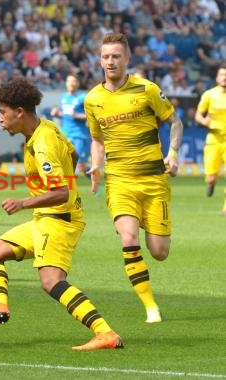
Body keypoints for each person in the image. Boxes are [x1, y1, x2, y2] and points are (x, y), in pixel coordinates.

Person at [0, 78, 124, 351]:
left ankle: (105, 333)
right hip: (46, 217)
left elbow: (61, 192)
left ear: (19, 112)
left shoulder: (43, 142)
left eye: (3, 112)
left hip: (59, 220)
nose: (0, 119)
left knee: (51, 282)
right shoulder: (46, 129)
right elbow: (71, 156)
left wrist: (23, 202)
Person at [84, 33, 184, 323]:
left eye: (116, 56)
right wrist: (96, 167)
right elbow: (97, 139)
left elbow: (175, 122)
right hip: (119, 182)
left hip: (154, 182)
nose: (110, 61)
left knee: (159, 251)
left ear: (127, 59)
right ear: (100, 60)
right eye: (106, 56)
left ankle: (148, 228)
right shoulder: (93, 99)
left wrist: (174, 153)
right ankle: (150, 306)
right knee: (128, 238)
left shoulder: (147, 88)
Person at [194, 65, 226, 212]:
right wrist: (204, 121)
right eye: (221, 75)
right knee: (211, 177)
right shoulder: (209, 95)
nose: (224, 77)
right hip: (213, 140)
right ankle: (211, 183)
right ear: (217, 77)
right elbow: (198, 115)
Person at [50, 75, 90, 174]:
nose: (71, 83)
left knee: (80, 165)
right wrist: (57, 113)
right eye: (69, 81)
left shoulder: (83, 97)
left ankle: (97, 183)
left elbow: (91, 115)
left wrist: (77, 115)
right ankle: (62, 188)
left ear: (78, 84)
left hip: (79, 135)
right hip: (65, 134)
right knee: (61, 161)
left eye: (74, 81)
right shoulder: (64, 97)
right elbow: (64, 114)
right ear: (66, 83)